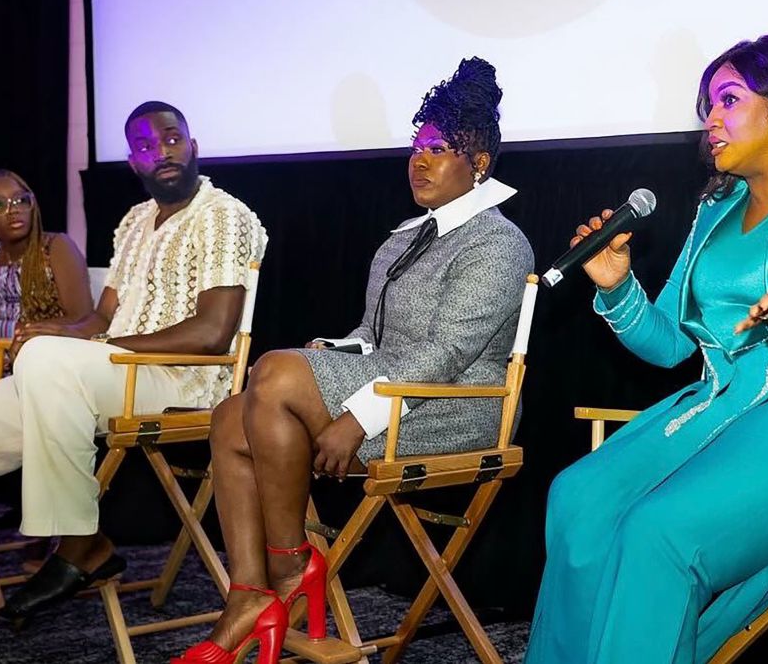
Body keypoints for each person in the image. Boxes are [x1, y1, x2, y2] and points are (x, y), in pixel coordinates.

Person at [525, 35, 768, 663]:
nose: (710, 121)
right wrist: (618, 286)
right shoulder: (717, 208)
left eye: (728, 100)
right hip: (726, 407)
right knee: (577, 500)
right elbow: (669, 347)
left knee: (659, 533)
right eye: (706, 106)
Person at [172, 57, 533, 664]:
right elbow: (374, 334)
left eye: (440, 149)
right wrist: (337, 351)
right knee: (231, 417)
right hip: (397, 389)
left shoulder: (498, 242)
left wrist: (357, 418)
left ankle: (291, 572)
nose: (420, 160)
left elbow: (446, 354)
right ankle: (247, 595)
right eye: (416, 148)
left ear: (479, 166)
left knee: (276, 372)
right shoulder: (401, 238)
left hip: (460, 406)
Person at [0, 101, 267, 625]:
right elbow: (101, 317)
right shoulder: (133, 222)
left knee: (49, 362)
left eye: (171, 139)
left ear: (193, 145)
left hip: (183, 383)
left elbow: (214, 333)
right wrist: (56, 332)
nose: (162, 152)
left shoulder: (223, 214)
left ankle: (80, 543)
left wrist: (96, 350)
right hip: (111, 375)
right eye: (146, 146)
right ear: (133, 163)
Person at [0, 170, 92, 391]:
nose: (14, 210)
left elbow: (83, 317)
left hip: (41, 354)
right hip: (2, 348)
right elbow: (10, 310)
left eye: (21, 200)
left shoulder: (57, 246)